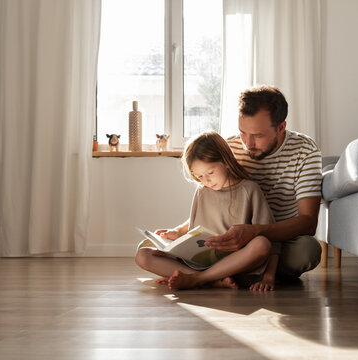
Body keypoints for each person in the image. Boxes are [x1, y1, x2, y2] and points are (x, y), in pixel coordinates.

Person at [135, 131, 280, 291]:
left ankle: (197, 279)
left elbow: (272, 240)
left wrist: (268, 277)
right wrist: (177, 232)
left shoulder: (249, 190)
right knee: (143, 255)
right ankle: (208, 279)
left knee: (262, 244)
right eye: (199, 176)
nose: (206, 180)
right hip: (199, 262)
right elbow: (197, 224)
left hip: (236, 264)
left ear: (225, 161)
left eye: (210, 173)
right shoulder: (202, 191)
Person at [204, 85, 323, 279]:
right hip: (234, 240)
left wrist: (255, 231)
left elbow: (308, 223)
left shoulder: (305, 151)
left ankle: (230, 272)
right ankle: (250, 272)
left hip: (281, 240)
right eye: (243, 132)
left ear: (281, 127)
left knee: (307, 251)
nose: (248, 144)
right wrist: (180, 231)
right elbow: (212, 200)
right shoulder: (230, 148)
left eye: (258, 136)